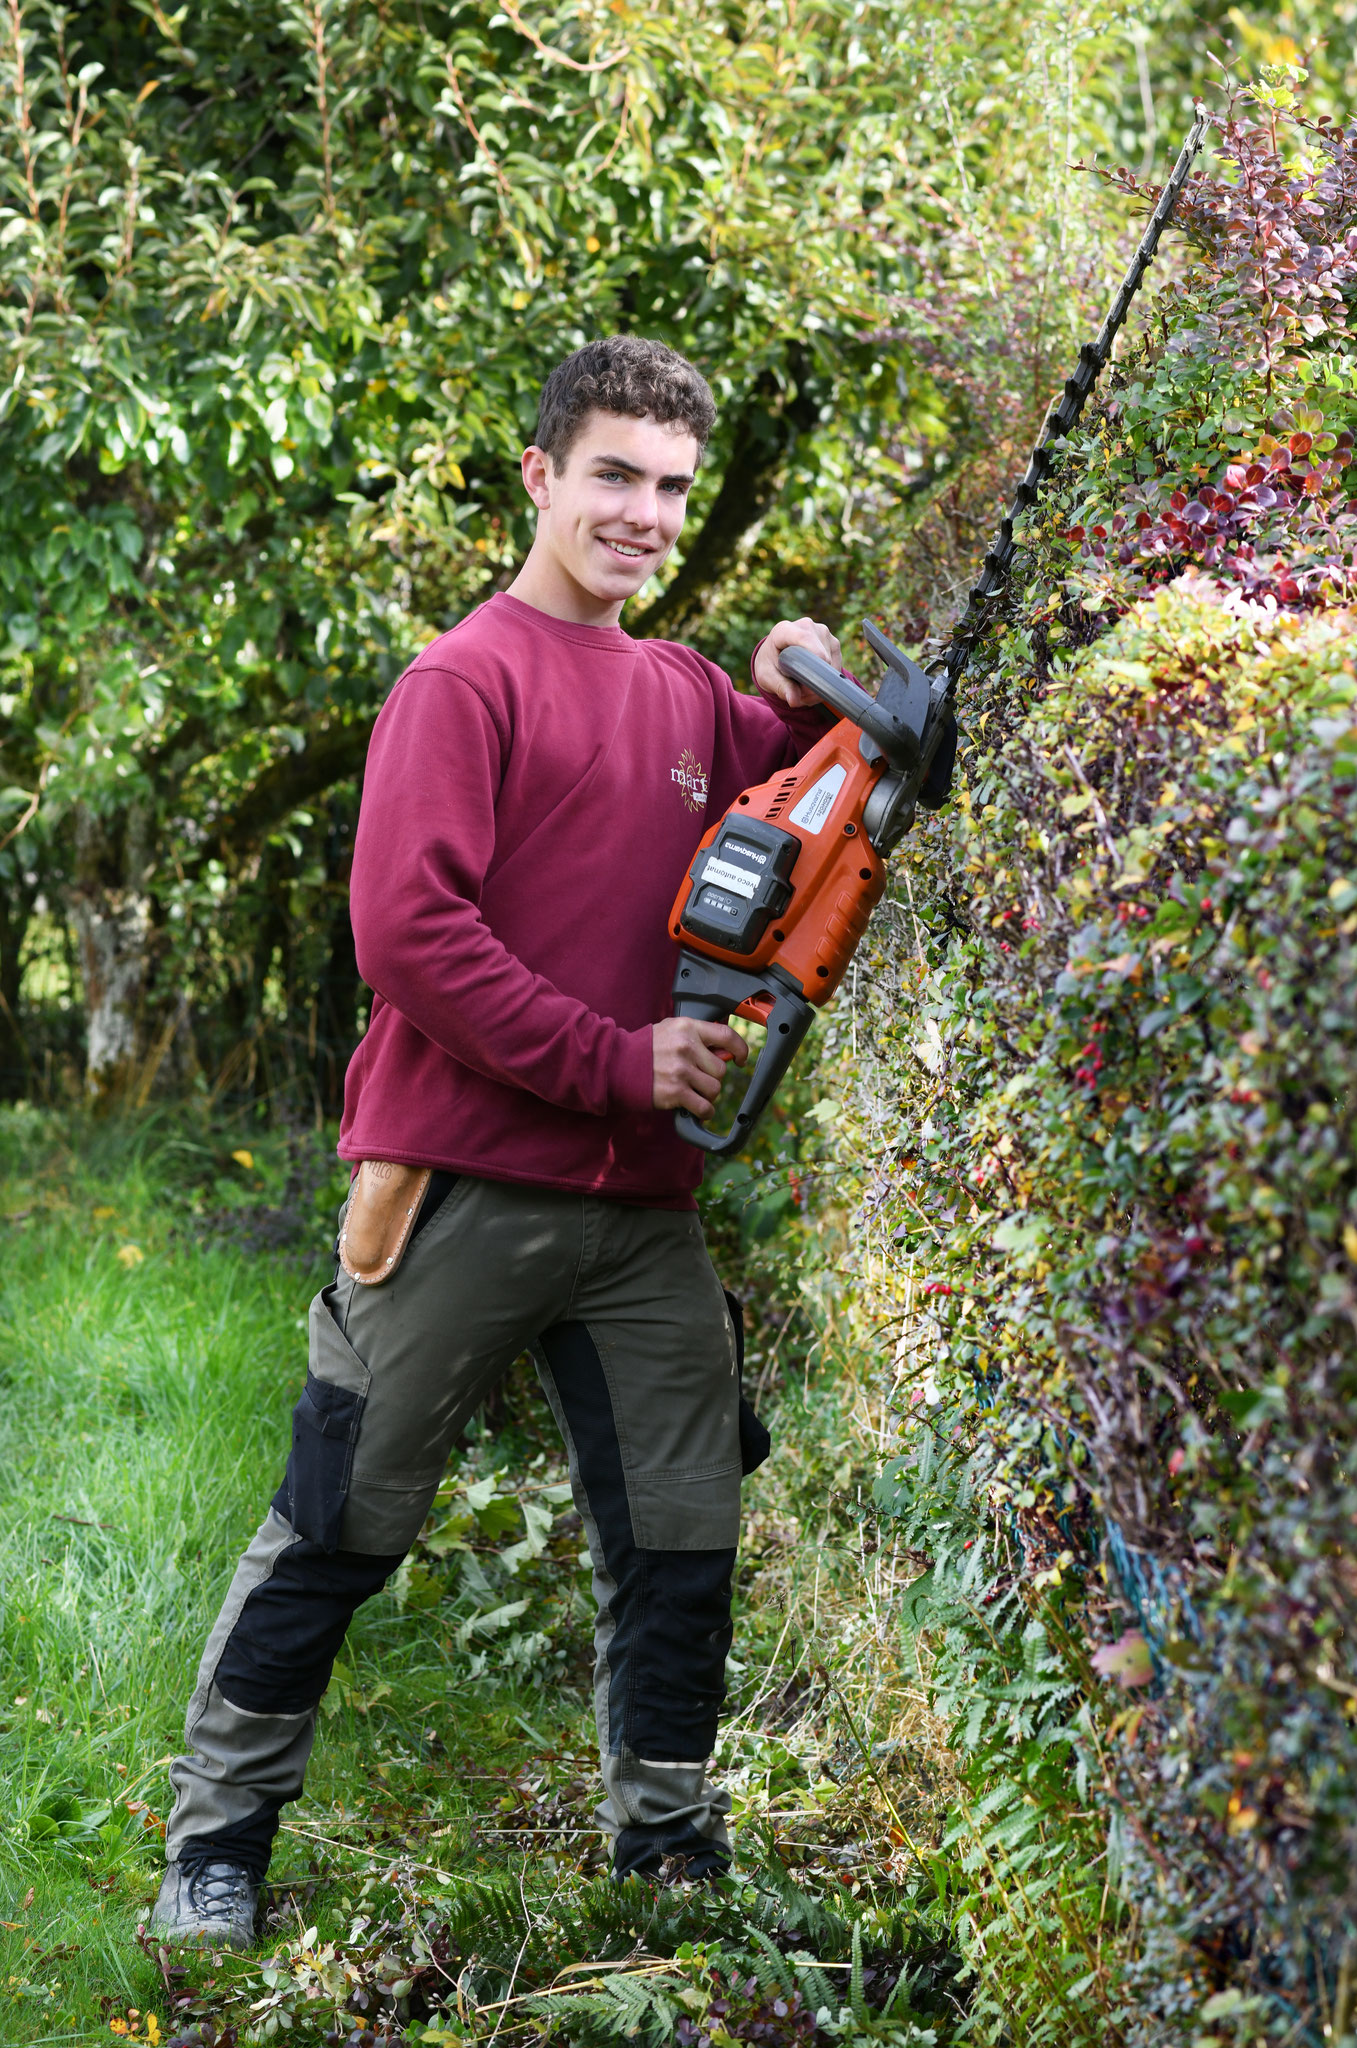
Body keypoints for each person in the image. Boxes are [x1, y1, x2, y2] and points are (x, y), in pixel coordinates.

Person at [151, 336, 844, 1948]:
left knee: (682, 1533)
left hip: (642, 1214)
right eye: (614, 475)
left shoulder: (681, 692)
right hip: (460, 1188)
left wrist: (803, 674)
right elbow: (407, 935)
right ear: (540, 477)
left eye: (670, 488)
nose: (644, 513)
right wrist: (616, 1060)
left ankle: (666, 1852)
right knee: (338, 1523)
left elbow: (803, 780)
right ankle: (215, 1853)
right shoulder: (464, 681)